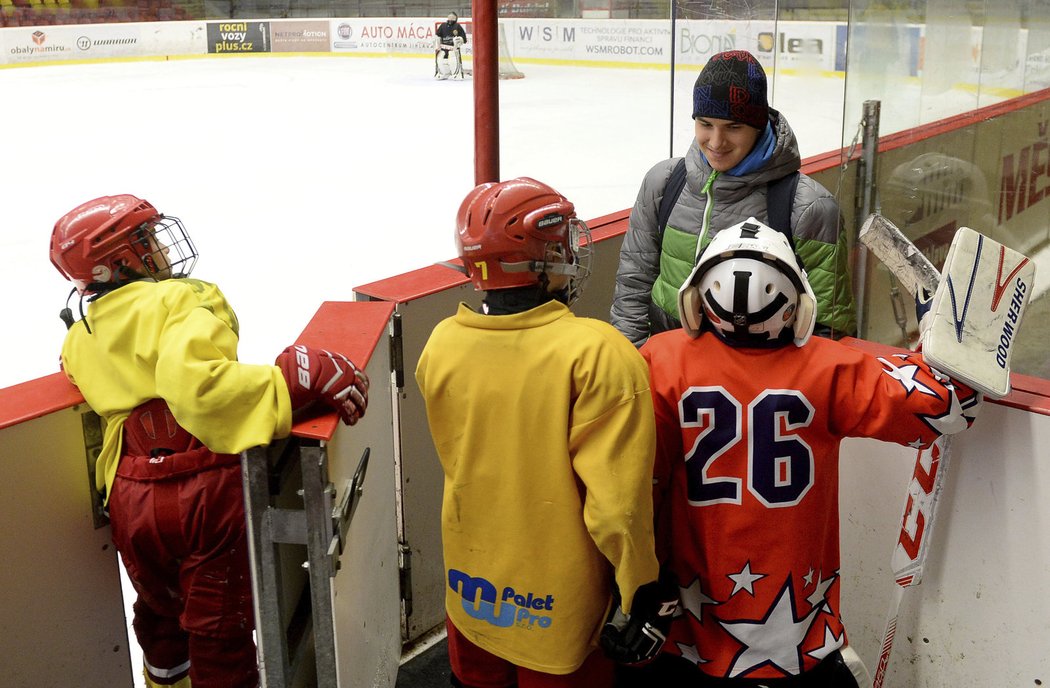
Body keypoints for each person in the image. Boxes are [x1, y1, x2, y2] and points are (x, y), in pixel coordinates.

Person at [630, 218, 981, 686]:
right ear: (796, 303)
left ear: (696, 297)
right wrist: (938, 330)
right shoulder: (828, 366)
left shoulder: (659, 358)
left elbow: (635, 487)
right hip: (799, 637)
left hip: (689, 625)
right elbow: (951, 406)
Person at [49, 194, 369, 688]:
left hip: (129, 490)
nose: (158, 246)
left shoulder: (79, 336)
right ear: (121, 261)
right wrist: (289, 383)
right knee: (220, 635)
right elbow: (198, 389)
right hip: (201, 489)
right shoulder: (181, 298)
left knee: (161, 619)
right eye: (145, 239)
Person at [415, 177, 679, 688]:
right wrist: (641, 587)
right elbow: (617, 508)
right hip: (559, 615)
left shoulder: (441, 345)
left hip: (471, 597)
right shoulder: (595, 354)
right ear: (541, 261)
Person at [611, 49, 857, 347]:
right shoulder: (663, 182)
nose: (716, 142)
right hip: (668, 364)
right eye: (705, 124)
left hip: (756, 379)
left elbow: (827, 330)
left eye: (734, 127)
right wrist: (635, 360)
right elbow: (633, 284)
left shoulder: (808, 207)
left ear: (758, 125)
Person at [435, 11, 467, 80]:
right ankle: (443, 73)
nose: (450, 19)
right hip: (443, 47)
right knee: (440, 58)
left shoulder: (457, 26)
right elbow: (437, 35)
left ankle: (456, 74)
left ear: (455, 19)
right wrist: (438, 42)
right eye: (449, 17)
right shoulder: (443, 25)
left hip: (453, 48)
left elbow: (464, 38)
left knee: (453, 57)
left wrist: (460, 39)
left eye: (452, 17)